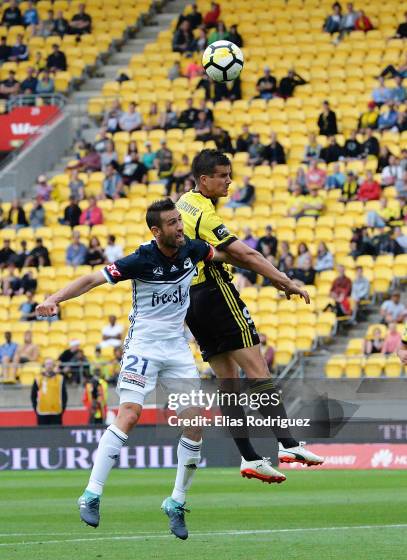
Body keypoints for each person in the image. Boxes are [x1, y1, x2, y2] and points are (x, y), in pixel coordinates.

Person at [36, 198, 229, 539]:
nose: (179, 227)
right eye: (172, 223)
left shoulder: (194, 250)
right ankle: (92, 494)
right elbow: (91, 279)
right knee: (130, 412)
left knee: (196, 423)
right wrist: (54, 298)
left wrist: (272, 275)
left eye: (179, 221)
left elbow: (229, 255)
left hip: (176, 348)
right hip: (142, 346)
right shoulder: (141, 259)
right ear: (156, 231)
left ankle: (176, 502)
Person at [177, 149, 322, 483]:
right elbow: (246, 253)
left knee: (227, 383)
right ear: (204, 180)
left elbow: (225, 254)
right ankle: (288, 445)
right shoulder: (204, 214)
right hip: (216, 295)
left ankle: (250, 458)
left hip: (192, 302)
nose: (229, 181)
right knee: (258, 371)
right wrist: (284, 281)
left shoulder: (183, 202)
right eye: (223, 176)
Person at [31, 358, 67, 425]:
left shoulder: (60, 378)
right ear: (44, 365)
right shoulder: (38, 378)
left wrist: (63, 408)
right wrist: (36, 408)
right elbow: (33, 395)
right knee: (43, 434)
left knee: (56, 433)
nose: (49, 366)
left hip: (57, 412)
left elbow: (64, 395)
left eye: (51, 364)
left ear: (53, 366)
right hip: (42, 412)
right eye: (47, 363)